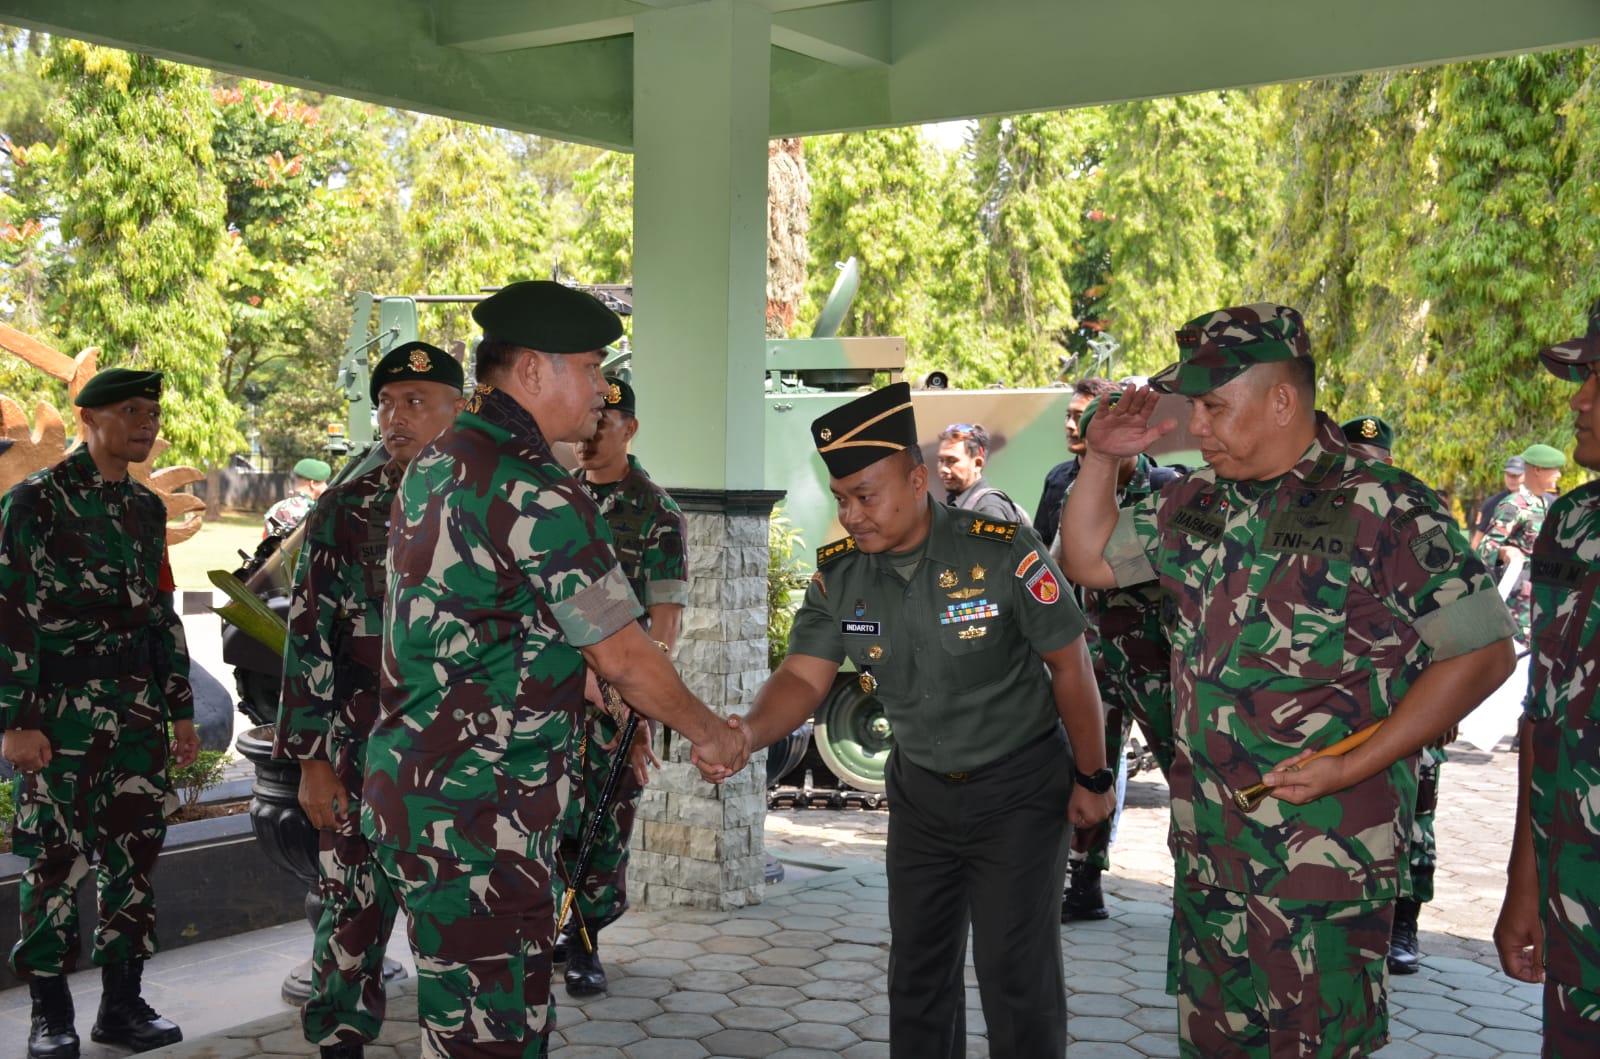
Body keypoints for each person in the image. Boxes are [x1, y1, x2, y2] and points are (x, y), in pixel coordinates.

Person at [1058, 303, 1517, 1057]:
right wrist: (1102, 460)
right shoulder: (1198, 499)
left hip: (1321, 869)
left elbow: (1484, 652)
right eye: (1193, 407)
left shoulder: (1382, 506)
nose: (1196, 427)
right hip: (1210, 861)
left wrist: (1354, 762)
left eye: (1213, 407)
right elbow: (1087, 559)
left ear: (1281, 400)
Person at [362, 280, 747, 1059]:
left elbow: (483, 621)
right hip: (482, 820)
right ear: (534, 370)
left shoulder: (437, 463)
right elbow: (626, 653)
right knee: (492, 1039)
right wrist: (712, 732)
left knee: (475, 1025)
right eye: (592, 365)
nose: (603, 386)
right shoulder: (536, 488)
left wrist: (584, 678)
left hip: (425, 798)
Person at [724, 381, 1113, 1058]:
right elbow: (802, 677)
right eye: (841, 498)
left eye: (864, 496)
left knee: (1015, 975)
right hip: (922, 795)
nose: (850, 515)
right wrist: (749, 733)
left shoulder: (1000, 550)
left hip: (1018, 789)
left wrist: (1093, 776)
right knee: (917, 975)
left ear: (915, 479)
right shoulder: (840, 577)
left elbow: (1070, 665)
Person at [1, 367, 200, 1059]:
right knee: (54, 861)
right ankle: (49, 1014)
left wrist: (179, 708)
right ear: (88, 418)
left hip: (136, 711)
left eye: (152, 411)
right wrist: (15, 721)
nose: (146, 423)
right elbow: (9, 614)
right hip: (60, 716)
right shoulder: (35, 501)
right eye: (130, 411)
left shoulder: (146, 509)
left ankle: (122, 1006)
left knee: (133, 857)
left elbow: (161, 614)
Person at [274, 341, 465, 1059]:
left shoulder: (489, 502)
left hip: (461, 760)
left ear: (459, 409)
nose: (395, 417)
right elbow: (307, 639)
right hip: (361, 751)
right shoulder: (346, 508)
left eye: (416, 401)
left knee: (458, 929)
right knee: (349, 919)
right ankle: (340, 1041)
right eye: (386, 403)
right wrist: (311, 761)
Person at [551, 374, 688, 997]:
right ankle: (565, 922)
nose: (591, 434)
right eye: (590, 420)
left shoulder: (656, 512)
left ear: (629, 428)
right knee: (553, 815)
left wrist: (638, 707)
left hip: (615, 698)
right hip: (554, 688)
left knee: (603, 821)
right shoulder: (558, 499)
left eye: (606, 423)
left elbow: (665, 623)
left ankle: (587, 942)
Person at [1494, 306, 1600, 1056]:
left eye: (1598, 378)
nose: (1579, 399)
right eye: (1583, 376)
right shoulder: (1575, 523)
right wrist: (1525, 882)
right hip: (1576, 896)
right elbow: (1545, 713)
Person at [1056, 393, 1180, 923]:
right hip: (1097, 660)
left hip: (1157, 663)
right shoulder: (1081, 489)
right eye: (1089, 449)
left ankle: (1199, 883)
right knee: (1090, 769)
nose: (1096, 457)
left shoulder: (1167, 490)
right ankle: (1084, 882)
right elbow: (1063, 562)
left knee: (1185, 775)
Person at [1341, 413, 1446, 975]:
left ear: (1389, 460)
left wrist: (1447, 700)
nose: (1364, 467)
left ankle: (1405, 921)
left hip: (1415, 693)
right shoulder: (1328, 509)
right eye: (1354, 458)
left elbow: (1453, 610)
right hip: (1351, 698)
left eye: (1373, 460)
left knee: (1417, 814)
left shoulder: (1415, 509)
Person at [1477, 443, 1567, 641]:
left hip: (1546, 597)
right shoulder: (1514, 505)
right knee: (1520, 652)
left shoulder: (1547, 503)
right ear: (1538, 470)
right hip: (1520, 604)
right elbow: (1484, 549)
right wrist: (1505, 552)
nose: (1559, 475)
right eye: (1555, 469)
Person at [1032, 376, 1114, 546]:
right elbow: (1041, 544)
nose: (1069, 425)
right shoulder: (1057, 478)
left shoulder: (1139, 479)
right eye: (1068, 415)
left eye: (1079, 416)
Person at [935, 422, 1030, 524]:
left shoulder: (988, 509)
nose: (943, 469)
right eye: (941, 460)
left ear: (977, 463)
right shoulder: (955, 505)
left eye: (952, 460)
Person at [264, 456, 332, 538]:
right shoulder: (312, 510)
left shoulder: (276, 507)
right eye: (324, 482)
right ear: (312, 484)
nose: (326, 486)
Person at [1469, 455, 1525, 552]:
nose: (1511, 479)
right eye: (1508, 475)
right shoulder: (1493, 503)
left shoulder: (1541, 501)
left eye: (1516, 475)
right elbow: (1477, 539)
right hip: (1498, 557)